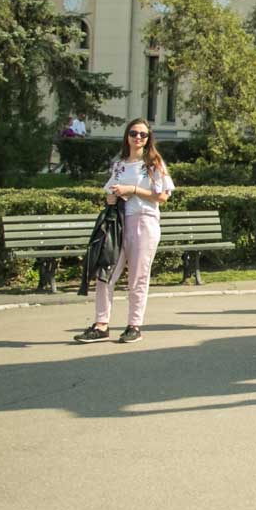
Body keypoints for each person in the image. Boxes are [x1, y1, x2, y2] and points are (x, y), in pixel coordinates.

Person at [77, 118, 175, 344]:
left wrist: (133, 189)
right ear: (127, 136)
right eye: (133, 133)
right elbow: (110, 191)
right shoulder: (119, 164)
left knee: (138, 277)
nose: (138, 137)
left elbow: (162, 197)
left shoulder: (154, 164)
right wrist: (111, 197)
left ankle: (134, 325)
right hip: (119, 224)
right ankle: (101, 324)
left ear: (148, 138)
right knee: (106, 273)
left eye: (143, 134)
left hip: (144, 222)